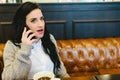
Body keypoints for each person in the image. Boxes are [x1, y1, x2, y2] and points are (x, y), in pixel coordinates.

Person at [2, 2, 69, 80]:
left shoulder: (49, 38)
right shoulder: (12, 45)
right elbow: (7, 78)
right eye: (33, 20)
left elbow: (61, 72)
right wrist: (25, 49)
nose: (40, 24)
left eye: (41, 19)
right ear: (23, 24)